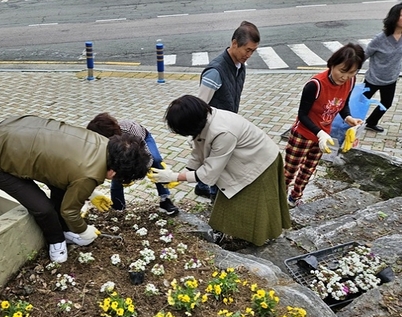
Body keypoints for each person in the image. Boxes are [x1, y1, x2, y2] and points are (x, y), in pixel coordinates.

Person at [0, 115, 151, 263]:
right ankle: (56, 242)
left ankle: (66, 230)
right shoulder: (89, 175)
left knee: (61, 187)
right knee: (43, 208)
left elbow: (73, 173)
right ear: (113, 172)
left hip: (15, 128)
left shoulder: (103, 143)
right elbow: (70, 210)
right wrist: (84, 230)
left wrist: (88, 193)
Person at [149, 95, 291, 247]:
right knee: (230, 201)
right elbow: (198, 151)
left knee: (254, 206)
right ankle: (233, 234)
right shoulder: (204, 118)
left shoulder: (222, 132)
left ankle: (255, 238)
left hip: (260, 163)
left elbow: (209, 173)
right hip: (245, 159)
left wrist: (176, 176)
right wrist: (185, 172)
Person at [284, 43, 365, 207]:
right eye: (342, 71)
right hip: (303, 135)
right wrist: (319, 133)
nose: (345, 77)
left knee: (308, 169)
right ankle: (278, 198)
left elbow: (343, 104)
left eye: (351, 73)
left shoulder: (349, 82)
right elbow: (302, 115)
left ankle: (295, 197)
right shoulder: (315, 85)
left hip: (324, 137)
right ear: (332, 64)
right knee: (289, 171)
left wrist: (348, 118)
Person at [195, 20, 261, 202]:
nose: (249, 55)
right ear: (234, 43)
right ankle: (215, 200)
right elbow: (200, 106)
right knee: (218, 167)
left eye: (253, 51)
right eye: (247, 50)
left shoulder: (240, 67)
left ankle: (202, 187)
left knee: (216, 164)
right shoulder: (215, 72)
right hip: (214, 131)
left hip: (227, 126)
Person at [87, 113, 179, 215]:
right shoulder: (98, 141)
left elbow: (146, 156)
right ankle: (118, 207)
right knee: (117, 172)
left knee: (156, 161)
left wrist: (136, 173)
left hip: (143, 140)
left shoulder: (130, 129)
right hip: (122, 147)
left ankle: (165, 199)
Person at [363, 2, 402, 133]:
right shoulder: (380, 38)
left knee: (386, 103)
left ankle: (371, 122)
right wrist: (351, 72)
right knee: (360, 102)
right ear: (394, 17)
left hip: (391, 79)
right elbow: (365, 54)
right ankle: (348, 122)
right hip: (373, 78)